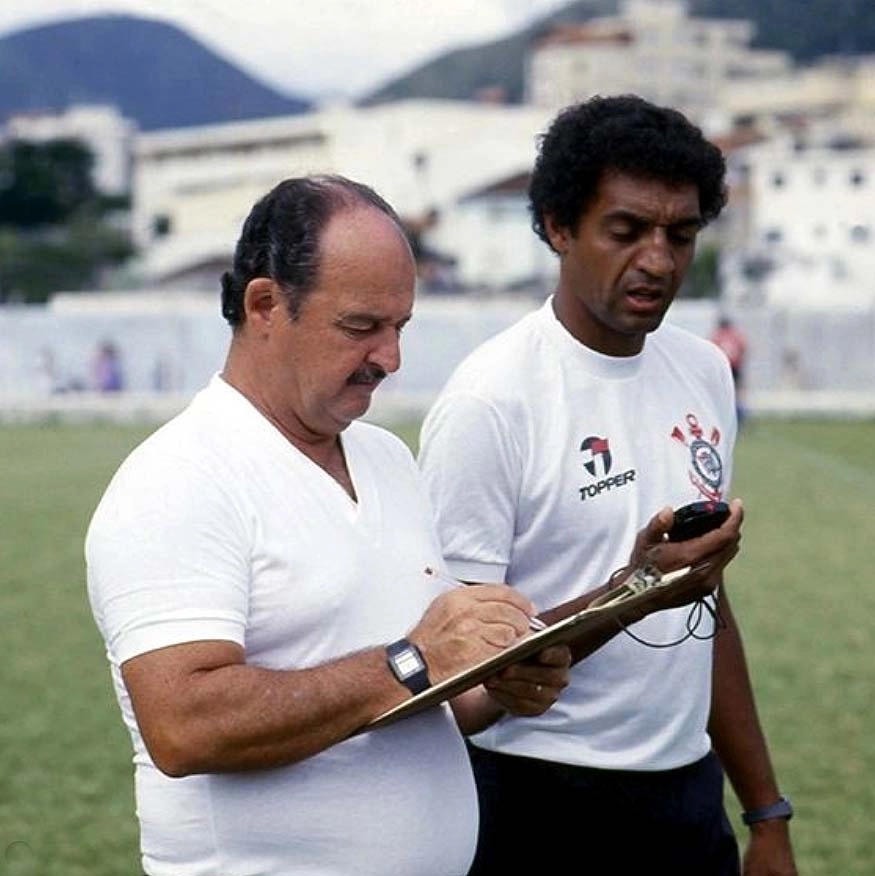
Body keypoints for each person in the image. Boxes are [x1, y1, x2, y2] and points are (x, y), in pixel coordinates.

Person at [84, 175, 573, 876]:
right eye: (360, 326)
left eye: (399, 326)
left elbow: (420, 699)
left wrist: (494, 682)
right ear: (264, 304)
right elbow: (184, 725)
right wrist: (413, 659)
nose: (389, 358)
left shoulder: (386, 459)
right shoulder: (178, 478)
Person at [418, 96, 797, 876]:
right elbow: (461, 679)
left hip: (685, 798)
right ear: (558, 227)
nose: (658, 260)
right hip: (535, 802)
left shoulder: (701, 370)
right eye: (626, 231)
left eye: (680, 234)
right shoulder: (491, 401)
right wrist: (633, 592)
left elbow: (702, 597)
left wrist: (764, 813)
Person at [710, 315, 748, 424]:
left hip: (722, 368)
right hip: (735, 367)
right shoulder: (736, 335)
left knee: (722, 394)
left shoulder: (717, 336)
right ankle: (740, 417)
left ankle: (724, 417)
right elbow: (744, 348)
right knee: (738, 394)